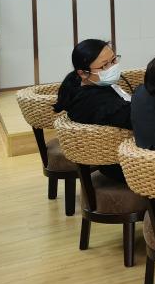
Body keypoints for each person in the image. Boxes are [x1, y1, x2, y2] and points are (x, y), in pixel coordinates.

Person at [53, 38, 131, 181]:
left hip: (124, 156)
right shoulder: (92, 102)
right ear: (83, 73)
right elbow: (134, 118)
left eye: (114, 60)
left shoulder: (93, 85)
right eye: (104, 65)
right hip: (123, 165)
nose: (112, 67)